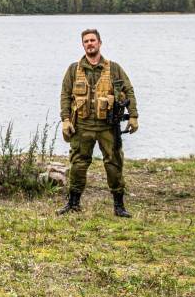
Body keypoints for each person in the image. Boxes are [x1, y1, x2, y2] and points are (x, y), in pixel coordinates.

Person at [57, 28, 139, 217]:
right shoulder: (73, 69)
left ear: (100, 43)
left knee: (114, 164)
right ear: (83, 45)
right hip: (82, 126)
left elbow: (129, 90)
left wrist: (133, 115)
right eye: (86, 41)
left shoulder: (114, 68)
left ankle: (119, 206)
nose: (90, 44)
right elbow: (65, 95)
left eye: (93, 40)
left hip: (107, 127)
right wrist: (65, 120)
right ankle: (73, 203)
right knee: (78, 164)